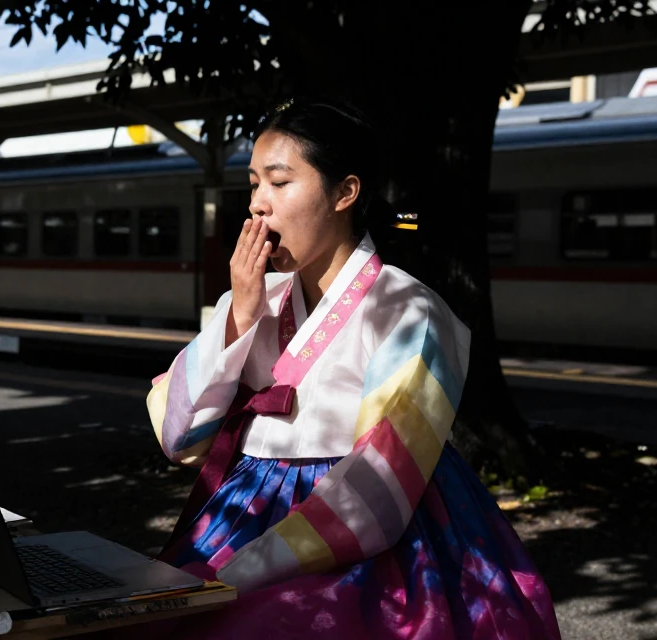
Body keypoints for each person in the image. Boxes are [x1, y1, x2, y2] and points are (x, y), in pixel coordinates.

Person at [146, 98, 561, 638]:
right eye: (253, 185)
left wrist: (246, 570)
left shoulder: (411, 311)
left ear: (345, 192)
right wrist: (240, 317)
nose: (258, 207)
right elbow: (178, 437)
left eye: (279, 182)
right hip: (241, 516)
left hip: (369, 532)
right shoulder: (248, 302)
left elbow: (380, 483)